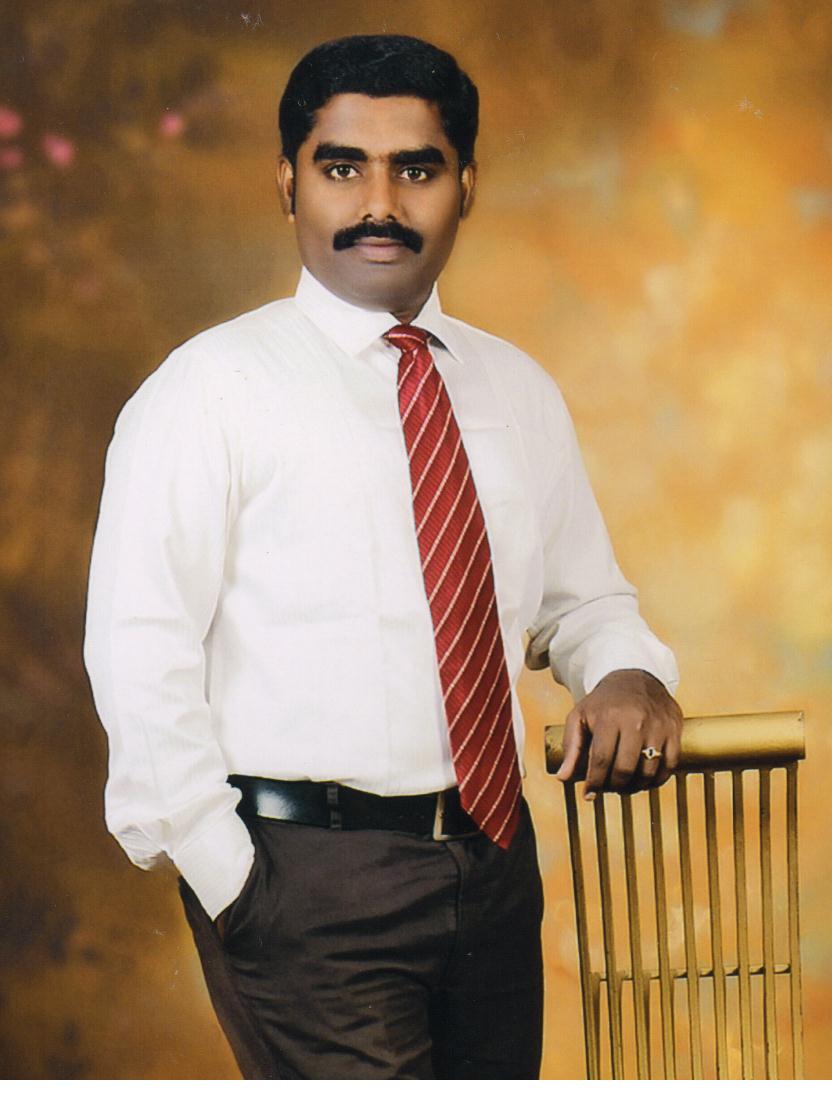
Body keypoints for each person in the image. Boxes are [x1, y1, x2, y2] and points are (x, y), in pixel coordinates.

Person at [83, 34, 682, 1080]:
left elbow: (583, 602)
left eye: (416, 169)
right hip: (304, 885)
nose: (379, 205)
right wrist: (233, 882)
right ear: (287, 182)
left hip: (495, 870)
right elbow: (139, 652)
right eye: (341, 167)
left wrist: (628, 669)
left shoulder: (516, 390)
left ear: (466, 186)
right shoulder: (208, 391)